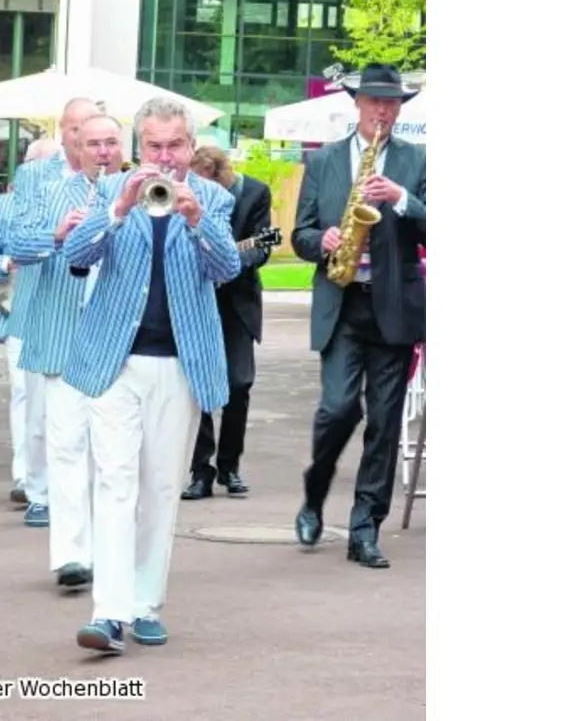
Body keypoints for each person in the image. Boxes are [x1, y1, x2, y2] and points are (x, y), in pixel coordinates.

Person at [58, 97, 241, 654]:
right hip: (115, 360)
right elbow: (78, 255)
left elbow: (227, 268)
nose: (166, 157)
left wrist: (195, 220)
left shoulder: (212, 198)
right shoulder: (113, 191)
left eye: (175, 145)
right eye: (155, 146)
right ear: (140, 149)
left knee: (161, 487)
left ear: (191, 147)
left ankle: (146, 604)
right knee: (115, 483)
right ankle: (108, 613)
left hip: (180, 365)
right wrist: (118, 210)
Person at [290, 63, 426, 569]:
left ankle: (365, 527)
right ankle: (314, 492)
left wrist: (402, 199)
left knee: (385, 424)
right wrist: (320, 241)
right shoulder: (324, 161)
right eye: (374, 102)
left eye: (391, 104)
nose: (383, 111)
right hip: (342, 301)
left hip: (392, 306)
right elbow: (300, 235)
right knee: (338, 408)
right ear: (358, 105)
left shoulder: (416, 160)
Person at [9, 111, 122, 591]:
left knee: (113, 458)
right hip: (61, 339)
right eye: (92, 142)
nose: (101, 151)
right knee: (67, 449)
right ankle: (72, 555)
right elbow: (11, 241)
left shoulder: (141, 192)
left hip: (117, 343)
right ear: (73, 144)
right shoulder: (49, 192)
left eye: (110, 143)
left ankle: (111, 549)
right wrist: (56, 235)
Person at [0, 138, 60, 504]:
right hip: (19, 311)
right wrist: (7, 264)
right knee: (25, 394)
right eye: (44, 167)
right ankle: (25, 475)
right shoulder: (8, 206)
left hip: (70, 315)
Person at [182, 145, 274, 500]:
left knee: (239, 383)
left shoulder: (254, 193)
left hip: (237, 301)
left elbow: (262, 246)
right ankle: (200, 471)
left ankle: (230, 466)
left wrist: (231, 260)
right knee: (199, 387)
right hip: (197, 300)